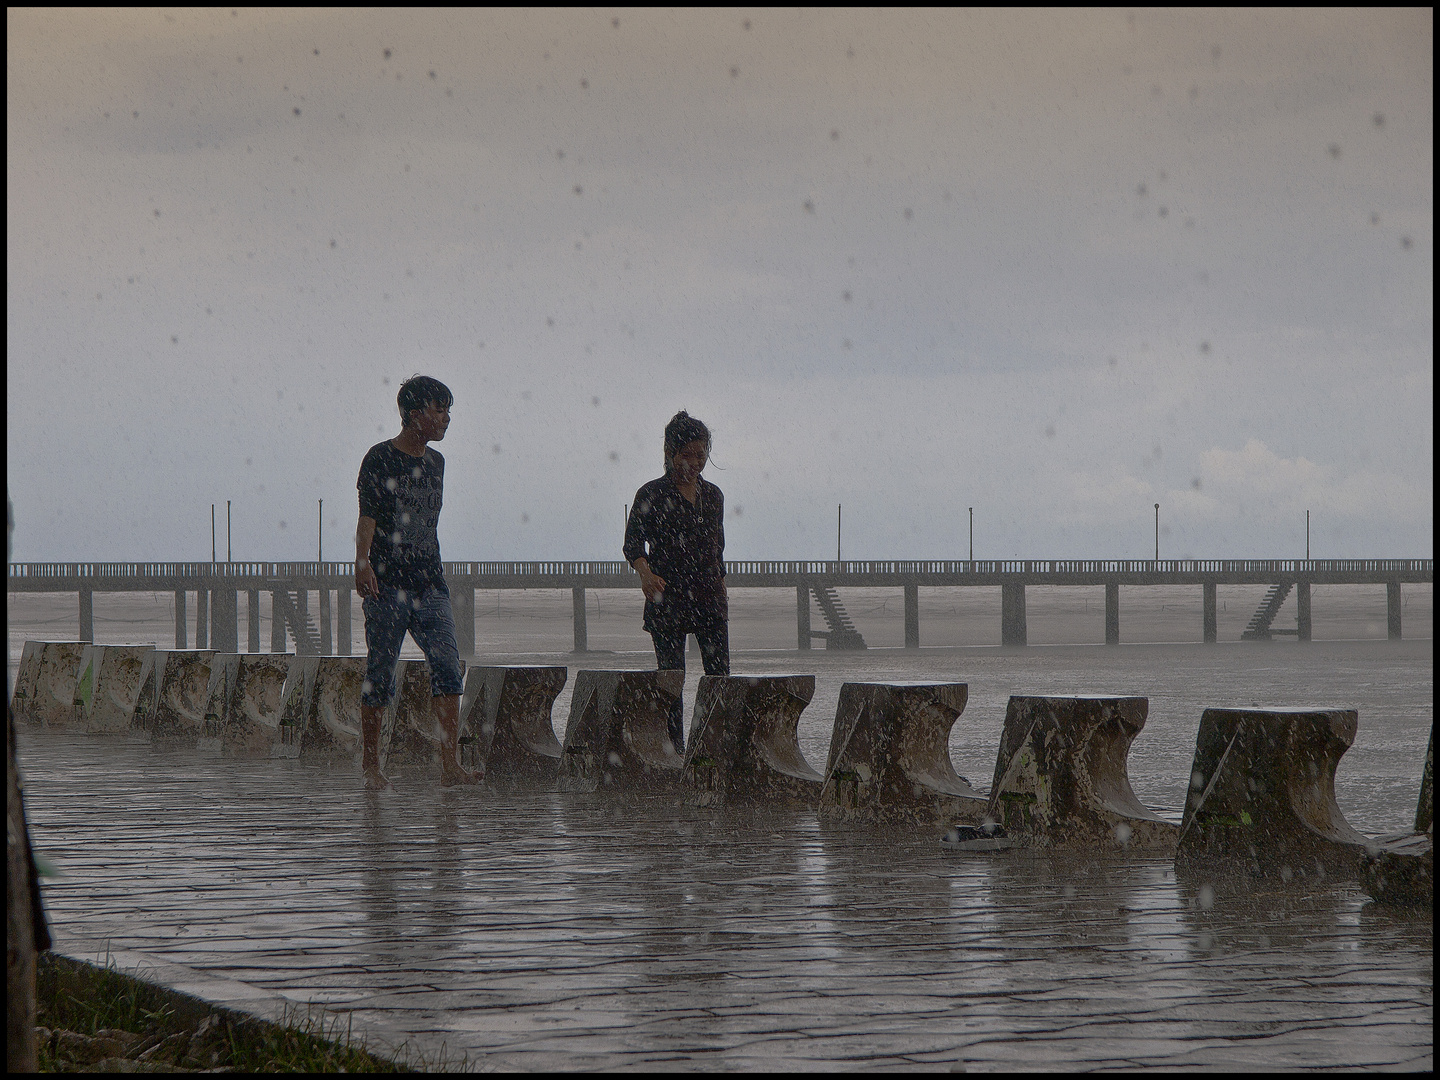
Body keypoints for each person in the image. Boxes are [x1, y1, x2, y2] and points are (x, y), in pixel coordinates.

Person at [354, 375, 477, 790]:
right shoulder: (379, 459)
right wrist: (362, 562)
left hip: (430, 584)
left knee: (446, 665)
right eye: (438, 410)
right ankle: (372, 767)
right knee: (381, 671)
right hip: (386, 585)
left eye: (448, 410)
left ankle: (450, 766)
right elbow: (368, 516)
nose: (446, 419)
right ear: (412, 415)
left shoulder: (437, 463)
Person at [622, 411, 730, 753]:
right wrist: (645, 573)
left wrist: (722, 583)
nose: (695, 463)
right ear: (670, 453)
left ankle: (712, 749)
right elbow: (632, 544)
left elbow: (717, 545)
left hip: (708, 595)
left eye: (701, 456)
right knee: (671, 682)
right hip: (666, 597)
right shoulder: (651, 493)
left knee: (718, 679)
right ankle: (675, 752)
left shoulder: (713, 495)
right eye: (687, 455)